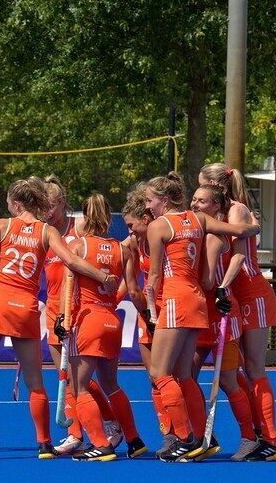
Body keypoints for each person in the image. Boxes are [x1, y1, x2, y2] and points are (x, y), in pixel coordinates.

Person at [0, 177, 119, 459]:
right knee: (35, 380)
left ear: (15, 204)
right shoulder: (47, 231)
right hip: (26, 306)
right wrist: (103, 277)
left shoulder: (3, 225)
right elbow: (72, 262)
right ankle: (45, 443)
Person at [145, 172, 260, 462]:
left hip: (177, 299)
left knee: (160, 373)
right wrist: (255, 224)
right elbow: (241, 231)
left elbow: (156, 274)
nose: (148, 206)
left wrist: (150, 308)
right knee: (185, 375)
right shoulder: (199, 221)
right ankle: (198, 438)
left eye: (150, 200)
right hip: (198, 303)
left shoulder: (160, 226)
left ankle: (185, 438)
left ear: (164, 199)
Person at [199, 163, 276, 461]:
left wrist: (222, 285)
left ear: (217, 187)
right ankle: (259, 433)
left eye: (203, 188)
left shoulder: (236, 210)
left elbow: (238, 256)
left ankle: (271, 440)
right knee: (242, 369)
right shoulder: (217, 215)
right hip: (235, 293)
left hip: (251, 291)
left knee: (255, 369)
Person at [56, 193, 147, 461]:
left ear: (85, 216)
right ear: (109, 216)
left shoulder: (77, 245)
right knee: (111, 385)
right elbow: (131, 289)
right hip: (111, 320)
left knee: (79, 387)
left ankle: (100, 443)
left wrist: (63, 319)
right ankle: (134, 439)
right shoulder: (123, 248)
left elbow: (68, 287)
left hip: (88, 319)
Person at [42, 176, 122, 456]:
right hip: (54, 308)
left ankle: (109, 424)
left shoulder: (80, 228)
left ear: (62, 204)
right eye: (41, 207)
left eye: (50, 206)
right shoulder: (43, 233)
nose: (45, 212)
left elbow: (100, 256)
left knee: (80, 381)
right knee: (65, 377)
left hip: (79, 311)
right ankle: (74, 433)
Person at [190, 184, 258, 461]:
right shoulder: (198, 232)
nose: (194, 205)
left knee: (229, 380)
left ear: (216, 207)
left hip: (220, 315)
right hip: (200, 317)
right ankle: (200, 435)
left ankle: (249, 438)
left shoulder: (213, 237)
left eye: (201, 201)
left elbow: (207, 280)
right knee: (187, 376)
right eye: (193, 199)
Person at [120, 184, 174, 442]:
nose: (129, 231)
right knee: (153, 376)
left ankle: (186, 432)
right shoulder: (134, 242)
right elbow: (131, 289)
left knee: (171, 376)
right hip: (147, 311)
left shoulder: (161, 236)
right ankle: (168, 431)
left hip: (167, 309)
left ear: (145, 219)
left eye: (131, 225)